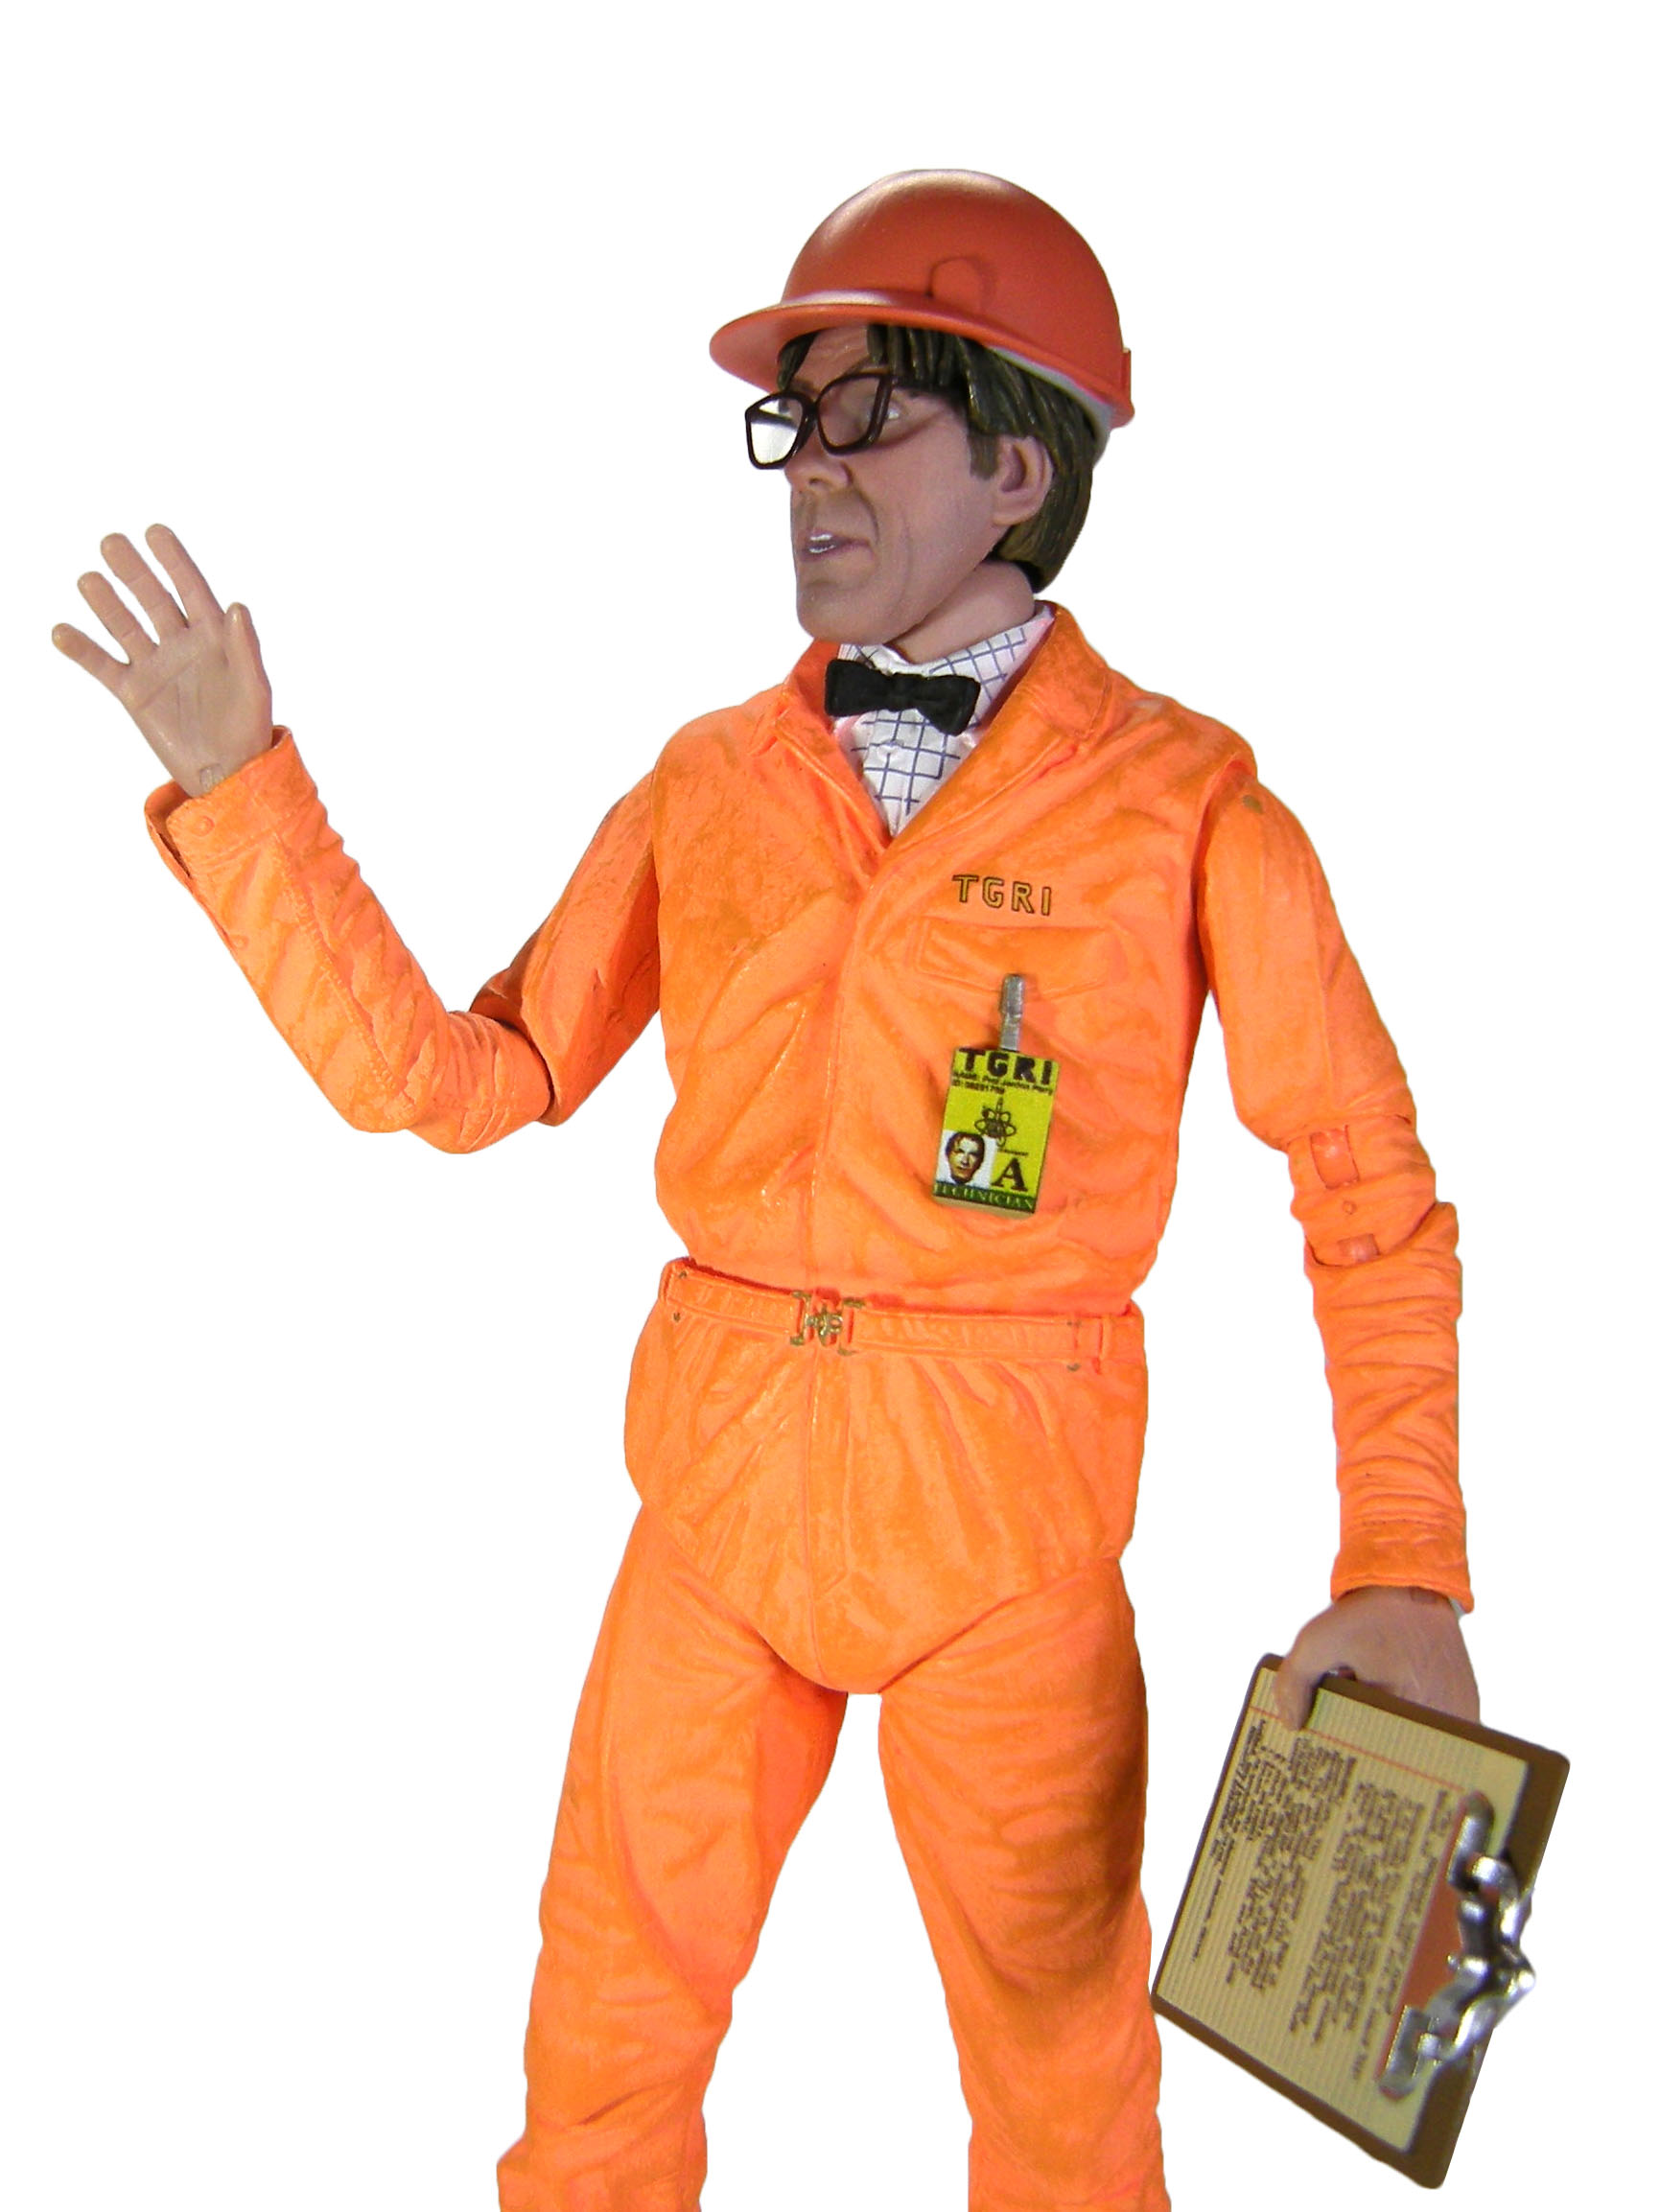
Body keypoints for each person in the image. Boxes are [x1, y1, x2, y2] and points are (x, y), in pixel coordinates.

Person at [53, 169, 1478, 2212]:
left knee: (1062, 2085)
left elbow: (1362, 1191)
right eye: (790, 420)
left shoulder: (1186, 809)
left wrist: (1404, 1561)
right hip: (717, 1497)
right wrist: (241, 782)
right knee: (601, 2044)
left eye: (864, 415)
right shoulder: (709, 784)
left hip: (1007, 1524)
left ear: (1016, 465)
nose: (808, 467)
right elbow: (463, 1075)